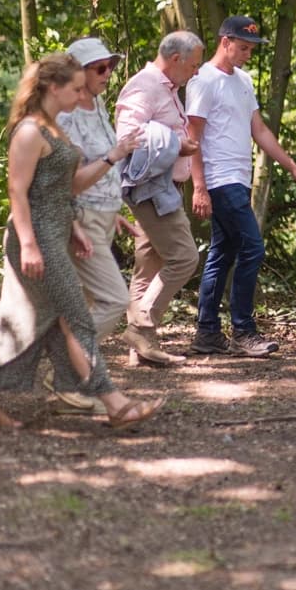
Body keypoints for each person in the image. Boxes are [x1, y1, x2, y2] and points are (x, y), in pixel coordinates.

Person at [0, 53, 165, 431]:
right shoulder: (30, 131)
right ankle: (115, 404)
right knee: (76, 319)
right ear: (54, 87)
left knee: (25, 321)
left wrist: (76, 224)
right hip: (35, 239)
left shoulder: (54, 129)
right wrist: (30, 244)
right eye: (76, 88)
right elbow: (18, 193)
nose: (83, 94)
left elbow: (64, 189)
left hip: (57, 232)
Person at [186, 15, 296, 357]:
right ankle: (243, 331)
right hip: (219, 179)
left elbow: (259, 130)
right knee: (252, 248)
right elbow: (192, 138)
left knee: (222, 253)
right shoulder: (202, 81)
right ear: (224, 42)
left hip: (239, 178)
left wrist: (291, 166)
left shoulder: (243, 81)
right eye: (243, 47)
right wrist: (199, 187)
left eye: (252, 49)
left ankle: (208, 333)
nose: (248, 54)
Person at [50, 38, 141, 413]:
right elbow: (69, 181)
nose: (108, 74)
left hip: (102, 216)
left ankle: (72, 384)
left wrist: (113, 208)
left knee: (84, 306)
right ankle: (70, 373)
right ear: (78, 71)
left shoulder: (98, 103)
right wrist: (114, 154)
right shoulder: (64, 116)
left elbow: (99, 174)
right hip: (80, 220)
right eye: (99, 68)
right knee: (115, 300)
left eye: (110, 67)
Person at [114, 30, 204, 366]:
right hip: (151, 189)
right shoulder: (144, 85)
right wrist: (176, 145)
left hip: (163, 186)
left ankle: (141, 349)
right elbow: (128, 136)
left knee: (149, 264)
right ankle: (141, 327)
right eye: (193, 65)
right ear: (176, 59)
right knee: (184, 257)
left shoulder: (168, 88)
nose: (196, 72)